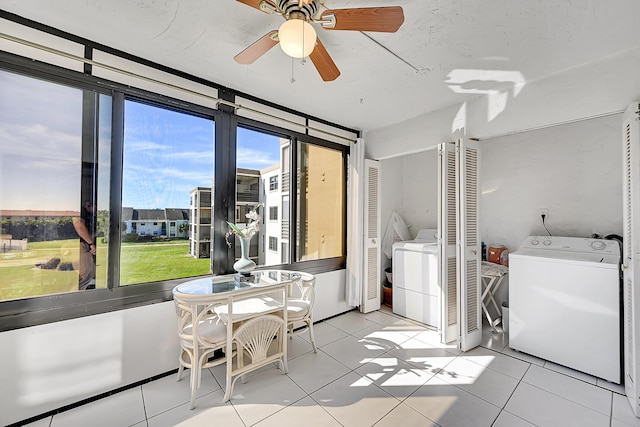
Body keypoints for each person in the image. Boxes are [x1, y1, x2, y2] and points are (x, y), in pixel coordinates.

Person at [72, 201, 97, 290]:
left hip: (85, 246)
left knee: (89, 274)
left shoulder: (93, 217)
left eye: (89, 205)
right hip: (81, 246)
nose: (87, 208)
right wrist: (91, 243)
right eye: (85, 206)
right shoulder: (80, 214)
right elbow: (79, 226)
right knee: (84, 276)